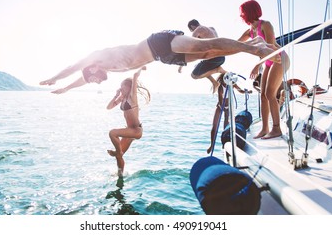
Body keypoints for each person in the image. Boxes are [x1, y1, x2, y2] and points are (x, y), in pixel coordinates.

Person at [39, 29, 280, 93]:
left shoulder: (97, 57)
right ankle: (255, 45)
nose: (97, 82)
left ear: (91, 68)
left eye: (93, 79)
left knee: (205, 45)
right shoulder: (107, 71)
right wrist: (65, 89)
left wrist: (54, 77)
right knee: (210, 55)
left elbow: (74, 68)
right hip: (162, 57)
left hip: (158, 43)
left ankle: (253, 48)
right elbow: (81, 79)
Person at [238, 0, 290, 139]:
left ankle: (277, 128)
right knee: (262, 95)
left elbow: (271, 48)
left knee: (269, 94)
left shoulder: (265, 25)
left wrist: (257, 65)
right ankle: (265, 128)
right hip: (267, 62)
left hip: (279, 59)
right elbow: (236, 43)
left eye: (242, 12)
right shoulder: (250, 31)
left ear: (248, 12)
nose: (241, 15)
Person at [106, 66, 150, 176]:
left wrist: (141, 66)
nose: (121, 88)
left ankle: (117, 151)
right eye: (120, 86)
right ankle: (120, 174)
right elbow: (109, 107)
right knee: (119, 156)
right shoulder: (123, 98)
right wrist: (116, 95)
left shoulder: (132, 97)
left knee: (113, 133)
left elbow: (135, 76)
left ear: (129, 87)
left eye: (123, 86)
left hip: (136, 130)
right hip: (129, 131)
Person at [180, 19, 226, 93]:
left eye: (191, 30)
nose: (192, 32)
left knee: (194, 75)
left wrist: (181, 65)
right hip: (221, 57)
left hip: (213, 58)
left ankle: (218, 70)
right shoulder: (212, 28)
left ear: (192, 26)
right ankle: (214, 83)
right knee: (198, 67)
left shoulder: (198, 30)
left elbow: (189, 48)